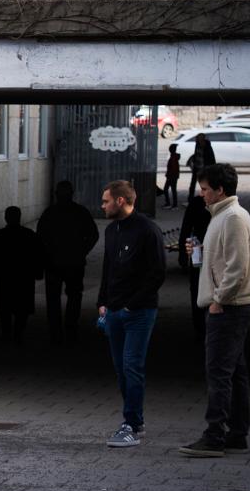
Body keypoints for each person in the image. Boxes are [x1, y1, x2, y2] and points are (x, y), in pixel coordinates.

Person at [179, 164, 250, 458]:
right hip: (228, 304)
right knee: (234, 371)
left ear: (220, 190)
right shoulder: (221, 216)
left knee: (219, 372)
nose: (202, 195)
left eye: (206, 189)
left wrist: (219, 300)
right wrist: (197, 254)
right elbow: (221, 262)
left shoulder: (233, 217)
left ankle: (215, 434)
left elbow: (238, 268)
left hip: (230, 307)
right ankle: (237, 433)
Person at [96, 180, 166, 448]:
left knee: (131, 366)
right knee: (121, 369)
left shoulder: (147, 230)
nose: (102, 206)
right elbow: (108, 267)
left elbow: (157, 272)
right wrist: (103, 301)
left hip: (139, 312)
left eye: (106, 201)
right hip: (113, 311)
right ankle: (134, 421)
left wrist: (131, 304)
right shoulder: (112, 230)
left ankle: (132, 425)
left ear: (121, 201)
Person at [35, 181, 99, 345]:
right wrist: (82, 251)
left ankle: (55, 332)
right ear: (72, 193)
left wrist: (44, 258)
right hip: (74, 263)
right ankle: (71, 329)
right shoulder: (80, 212)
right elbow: (93, 235)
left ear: (56, 194)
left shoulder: (50, 213)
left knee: (53, 298)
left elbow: (40, 238)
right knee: (75, 296)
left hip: (53, 263)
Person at [0, 206, 44, 345]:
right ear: (19, 217)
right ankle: (18, 334)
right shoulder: (28, 235)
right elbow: (39, 255)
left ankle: (6, 333)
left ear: (6, 218)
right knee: (22, 309)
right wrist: (38, 272)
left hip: (4, 278)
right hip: (24, 279)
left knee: (4, 308)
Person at [179, 193, 213, 343]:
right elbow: (186, 227)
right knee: (197, 290)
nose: (202, 192)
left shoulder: (220, 207)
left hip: (202, 255)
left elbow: (186, 227)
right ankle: (201, 329)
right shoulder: (199, 203)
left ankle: (202, 329)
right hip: (198, 254)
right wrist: (182, 252)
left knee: (198, 290)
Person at [187, 133, 216, 201]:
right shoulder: (197, 145)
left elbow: (211, 158)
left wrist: (211, 168)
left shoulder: (207, 147)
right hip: (197, 168)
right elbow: (197, 154)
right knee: (192, 184)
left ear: (202, 139)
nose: (196, 140)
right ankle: (190, 199)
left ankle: (208, 198)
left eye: (197, 138)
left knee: (205, 184)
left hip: (204, 169)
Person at [162, 144, 182, 209]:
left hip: (171, 177)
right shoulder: (174, 157)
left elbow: (172, 169)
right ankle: (173, 204)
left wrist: (168, 176)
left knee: (166, 189)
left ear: (170, 150)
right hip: (174, 176)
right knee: (173, 190)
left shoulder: (173, 158)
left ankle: (170, 204)